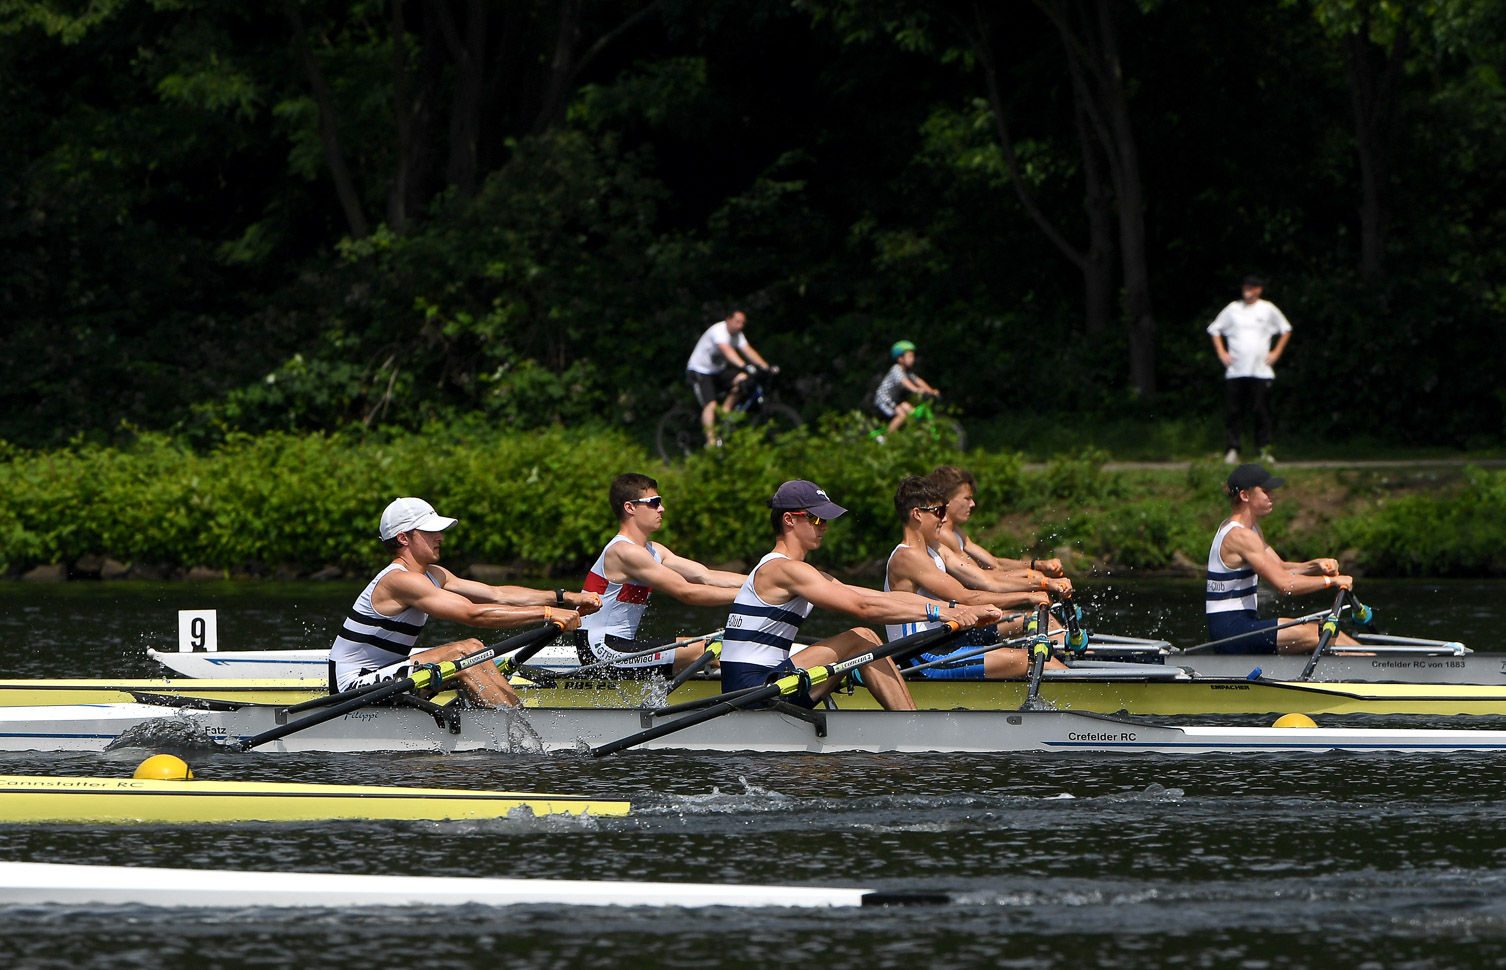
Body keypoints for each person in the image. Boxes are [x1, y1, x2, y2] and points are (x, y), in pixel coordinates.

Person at [719, 480, 998, 710]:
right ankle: (912, 725)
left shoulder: (800, 572)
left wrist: (956, 607)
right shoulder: (783, 569)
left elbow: (882, 598)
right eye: (816, 518)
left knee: (862, 641)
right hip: (750, 690)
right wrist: (941, 613)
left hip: (769, 684)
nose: (824, 526)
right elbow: (863, 607)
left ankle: (908, 719)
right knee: (861, 638)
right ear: (789, 520)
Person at [330, 497, 601, 706]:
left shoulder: (434, 574)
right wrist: (547, 614)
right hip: (351, 687)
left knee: (474, 646)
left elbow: (497, 594)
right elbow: (474, 615)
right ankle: (516, 728)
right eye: (430, 531)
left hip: (386, 674)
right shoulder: (399, 580)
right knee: (463, 654)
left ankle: (513, 717)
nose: (441, 537)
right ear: (403, 538)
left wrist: (566, 598)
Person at [884, 477, 1068, 679]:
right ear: (917, 514)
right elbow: (967, 597)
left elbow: (989, 581)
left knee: (1034, 648)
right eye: (939, 512)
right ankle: (1088, 698)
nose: (944, 520)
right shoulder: (907, 557)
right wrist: (1028, 596)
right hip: (920, 658)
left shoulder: (934, 549)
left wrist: (1043, 584)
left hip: (945, 643)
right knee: (1031, 659)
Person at [578, 473, 745, 677]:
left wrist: (762, 584)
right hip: (601, 651)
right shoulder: (624, 552)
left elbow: (706, 576)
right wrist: (753, 596)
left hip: (621, 647)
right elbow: (687, 592)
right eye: (654, 503)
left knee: (721, 649)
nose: (662, 508)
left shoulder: (654, 550)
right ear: (630, 507)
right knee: (717, 649)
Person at [1206, 464, 1358, 654]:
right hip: (1230, 632)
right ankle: (1378, 671)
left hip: (1242, 625)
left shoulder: (1251, 530)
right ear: (1245, 496)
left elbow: (1281, 568)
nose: (1272, 496)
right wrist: (1331, 581)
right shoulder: (1240, 536)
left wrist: (1315, 565)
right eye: (1266, 491)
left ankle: (1374, 663)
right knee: (1319, 633)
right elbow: (1286, 585)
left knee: (1327, 630)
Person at [1207, 275, 1291, 465]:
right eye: (1245, 286)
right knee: (1234, 411)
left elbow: (1286, 329)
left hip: (1261, 370)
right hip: (1236, 369)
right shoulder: (1233, 309)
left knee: (1261, 410)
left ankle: (1263, 450)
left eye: (1251, 287)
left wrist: (1276, 352)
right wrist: (1221, 352)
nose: (1247, 290)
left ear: (1259, 290)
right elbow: (1215, 329)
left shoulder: (1268, 309)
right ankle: (1232, 449)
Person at [927, 466, 1067, 578]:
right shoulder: (944, 535)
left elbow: (995, 564)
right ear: (947, 500)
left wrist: (1038, 565)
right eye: (967, 498)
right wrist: (1034, 577)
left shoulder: (957, 532)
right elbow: (981, 578)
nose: (973, 504)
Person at [684, 310, 777, 447]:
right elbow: (727, 351)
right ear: (728, 320)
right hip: (699, 371)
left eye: (742, 323)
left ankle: (726, 411)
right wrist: (744, 365)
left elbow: (748, 350)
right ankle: (711, 444)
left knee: (743, 379)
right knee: (711, 405)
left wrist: (765, 367)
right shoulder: (719, 331)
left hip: (717, 371)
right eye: (737, 322)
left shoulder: (738, 335)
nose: (740, 326)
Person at [873, 340, 941, 438]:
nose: (912, 359)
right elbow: (904, 382)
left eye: (913, 356)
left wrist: (931, 391)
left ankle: (906, 436)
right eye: (909, 356)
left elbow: (918, 380)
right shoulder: (896, 369)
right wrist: (916, 390)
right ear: (900, 359)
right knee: (902, 415)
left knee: (912, 412)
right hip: (884, 399)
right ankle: (886, 439)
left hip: (895, 400)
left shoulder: (908, 372)